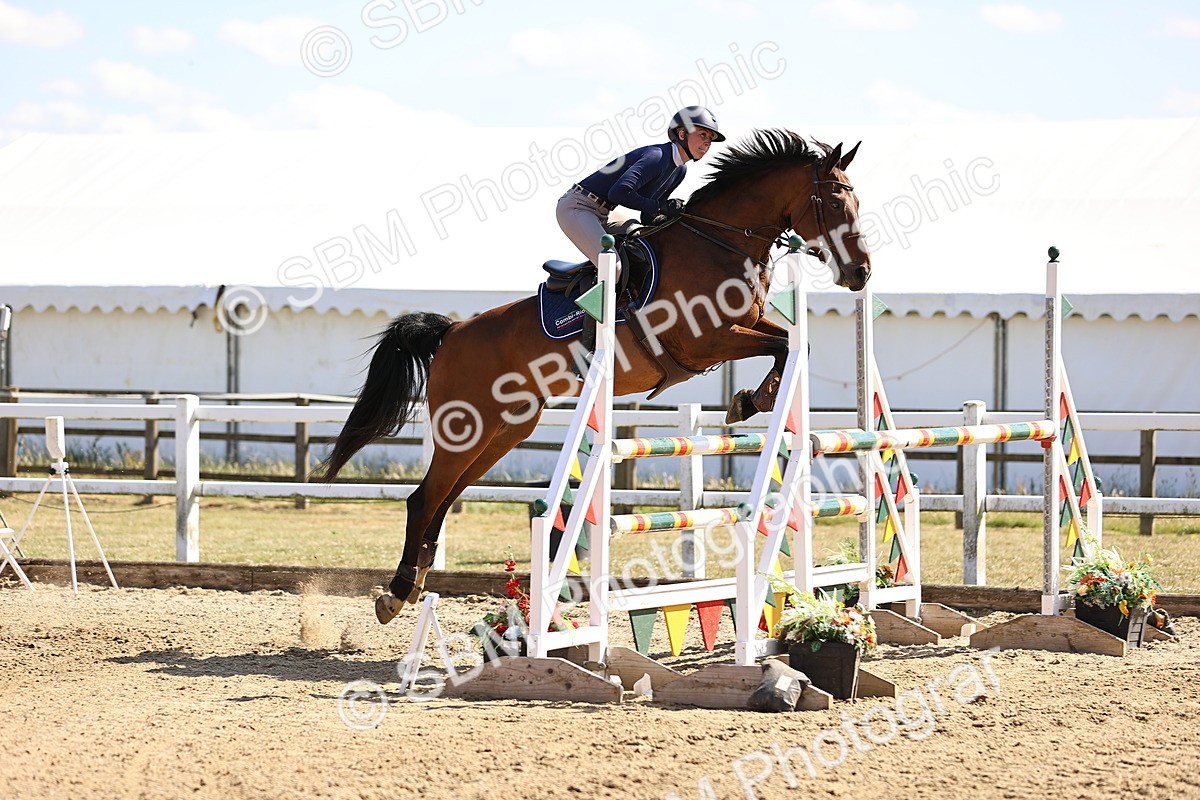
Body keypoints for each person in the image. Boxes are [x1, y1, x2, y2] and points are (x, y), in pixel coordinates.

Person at [556, 106, 726, 268]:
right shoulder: (656, 156)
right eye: (703, 134)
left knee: (645, 241)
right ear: (682, 134)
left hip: (604, 213)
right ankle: (585, 299)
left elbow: (647, 216)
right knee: (613, 267)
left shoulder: (679, 170)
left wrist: (678, 217)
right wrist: (661, 207)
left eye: (710, 138)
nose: (707, 142)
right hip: (578, 207)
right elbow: (618, 193)